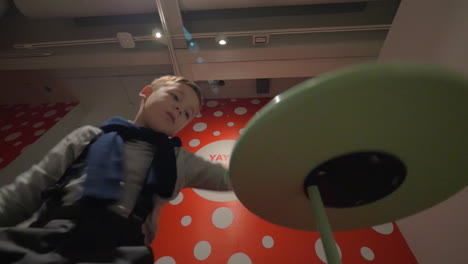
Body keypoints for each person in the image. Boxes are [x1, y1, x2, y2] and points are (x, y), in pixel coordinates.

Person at [0, 76, 231, 263]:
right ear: (147, 92)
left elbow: (231, 179)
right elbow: (25, 193)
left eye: (188, 113)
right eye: (175, 96)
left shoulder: (179, 159)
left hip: (122, 250)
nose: (181, 109)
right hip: (53, 235)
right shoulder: (89, 136)